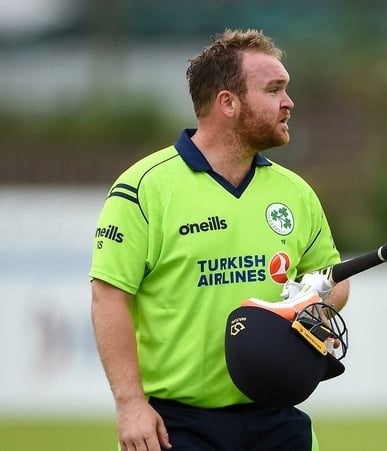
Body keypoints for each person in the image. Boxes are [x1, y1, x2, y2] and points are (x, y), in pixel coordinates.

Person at [89, 29, 349, 451]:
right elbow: (109, 296)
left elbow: (332, 278)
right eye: (274, 90)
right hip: (178, 425)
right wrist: (130, 403)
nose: (289, 103)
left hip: (277, 419)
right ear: (228, 102)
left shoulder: (295, 191)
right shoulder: (144, 189)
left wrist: (307, 305)